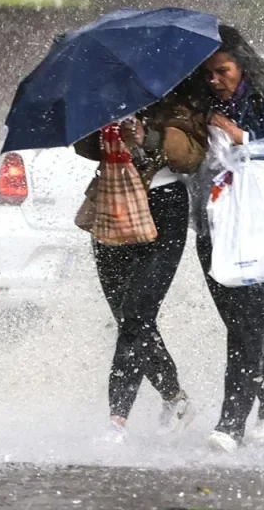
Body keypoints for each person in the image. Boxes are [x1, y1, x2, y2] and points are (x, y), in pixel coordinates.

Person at [73, 77, 210, 443]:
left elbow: (193, 156)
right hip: (113, 203)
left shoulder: (181, 94)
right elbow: (82, 146)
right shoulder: (105, 94)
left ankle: (117, 421)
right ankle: (176, 398)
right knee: (127, 317)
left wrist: (146, 136)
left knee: (137, 313)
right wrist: (99, 126)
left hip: (165, 209)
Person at [193, 24, 264, 453]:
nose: (215, 81)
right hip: (217, 218)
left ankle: (230, 424)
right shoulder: (200, 100)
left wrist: (240, 138)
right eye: (208, 74)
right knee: (241, 322)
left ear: (243, 64)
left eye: (222, 71)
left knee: (250, 321)